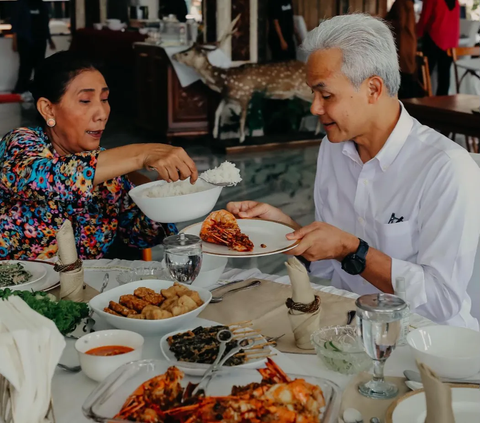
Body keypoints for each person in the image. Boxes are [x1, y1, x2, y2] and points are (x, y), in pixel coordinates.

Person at [228, 14, 480, 329]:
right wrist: (289, 232)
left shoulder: (445, 168)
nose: (314, 108)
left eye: (326, 95)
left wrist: (353, 249)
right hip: (349, 328)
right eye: (313, 94)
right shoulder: (333, 149)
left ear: (373, 89)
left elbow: (442, 301)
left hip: (430, 344)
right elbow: (333, 272)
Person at [0, 51, 198, 261]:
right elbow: (47, 177)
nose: (102, 113)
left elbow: (141, 237)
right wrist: (142, 153)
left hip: (87, 291)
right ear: (48, 109)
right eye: (85, 100)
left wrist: (160, 195)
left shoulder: (110, 170)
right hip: (16, 290)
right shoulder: (20, 144)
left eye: (104, 99)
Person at [11, 0, 56, 94]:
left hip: (40, 40)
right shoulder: (21, 4)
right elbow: (15, 23)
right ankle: (21, 88)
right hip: (25, 40)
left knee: (39, 65)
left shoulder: (42, 5)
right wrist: (14, 41)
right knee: (25, 66)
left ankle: (38, 88)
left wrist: (50, 40)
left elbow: (45, 24)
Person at [417, 0, 460, 95]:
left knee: (424, 75)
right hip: (450, 42)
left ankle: (419, 103)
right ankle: (442, 105)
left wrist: (416, 34)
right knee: (444, 76)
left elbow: (424, 18)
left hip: (435, 38)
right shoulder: (455, 1)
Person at [386, 0, 419, 98]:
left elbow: (400, 23)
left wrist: (382, 22)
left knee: (401, 80)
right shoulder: (409, 3)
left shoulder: (401, 3)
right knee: (408, 77)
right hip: (409, 44)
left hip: (402, 44)